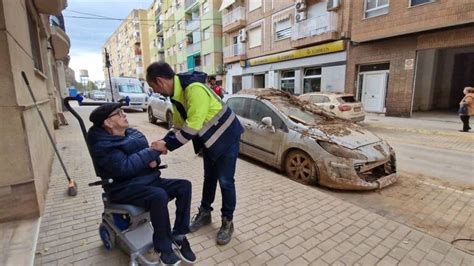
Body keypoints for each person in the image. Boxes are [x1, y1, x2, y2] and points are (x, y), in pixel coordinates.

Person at [146, 62, 244, 245]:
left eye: (153, 87)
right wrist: (164, 142)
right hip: (210, 140)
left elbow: (192, 127)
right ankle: (205, 212)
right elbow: (178, 126)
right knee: (209, 178)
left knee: (226, 181)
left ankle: (227, 222)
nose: (155, 91)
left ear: (159, 81)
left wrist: (167, 145)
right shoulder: (176, 96)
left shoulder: (194, 89)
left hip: (227, 137)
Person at [87, 103, 196, 265]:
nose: (124, 114)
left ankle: (179, 235)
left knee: (184, 186)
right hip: (123, 188)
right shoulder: (102, 144)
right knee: (158, 195)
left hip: (149, 180)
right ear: (108, 123)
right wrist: (154, 152)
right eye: (118, 113)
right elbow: (125, 166)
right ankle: (163, 246)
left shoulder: (133, 133)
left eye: (122, 111)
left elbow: (147, 156)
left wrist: (155, 160)